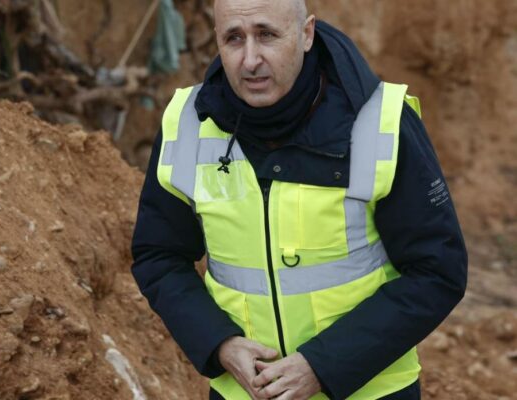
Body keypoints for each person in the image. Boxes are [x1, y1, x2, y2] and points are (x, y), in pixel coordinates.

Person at [130, 0, 467, 399]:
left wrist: (324, 365)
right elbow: (158, 256)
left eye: (267, 34)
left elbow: (437, 270)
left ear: (307, 33)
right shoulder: (187, 124)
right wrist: (220, 344)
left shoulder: (379, 123)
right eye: (233, 39)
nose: (250, 59)